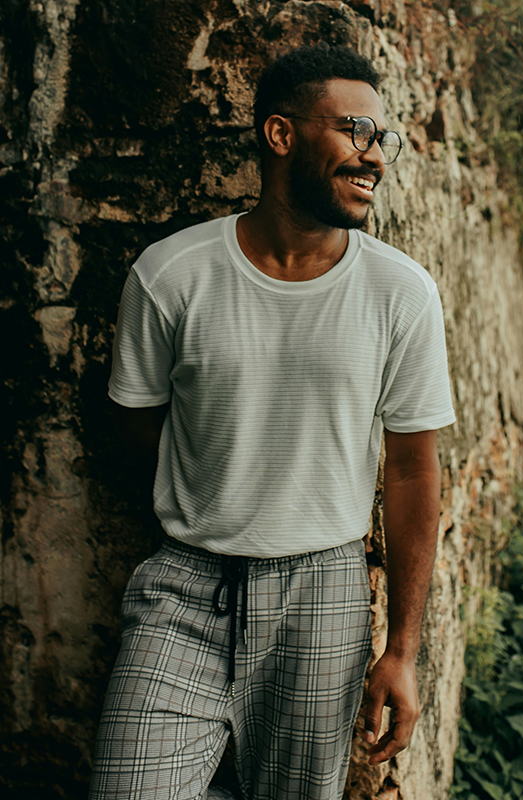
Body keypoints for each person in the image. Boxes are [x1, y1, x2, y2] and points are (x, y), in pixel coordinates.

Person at [89, 42, 455, 800]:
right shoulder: (171, 275)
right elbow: (134, 421)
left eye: (381, 138)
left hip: (323, 596)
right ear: (281, 134)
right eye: (355, 130)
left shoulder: (402, 293)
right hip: (182, 587)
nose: (375, 156)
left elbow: (415, 470)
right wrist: (219, 487)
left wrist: (403, 650)